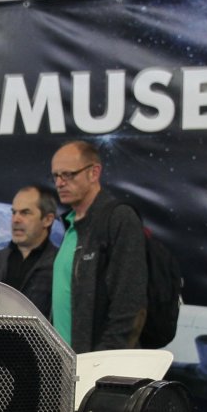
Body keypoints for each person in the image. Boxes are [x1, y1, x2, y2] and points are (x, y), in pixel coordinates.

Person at [48, 140, 147, 351]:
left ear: (94, 173)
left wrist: (106, 360)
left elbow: (130, 301)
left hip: (100, 362)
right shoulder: (70, 224)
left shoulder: (119, 218)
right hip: (64, 361)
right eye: (56, 176)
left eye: (68, 175)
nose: (59, 183)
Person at [0, 185, 58, 317]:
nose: (15, 220)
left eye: (25, 213)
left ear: (47, 220)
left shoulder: (59, 263)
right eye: (14, 212)